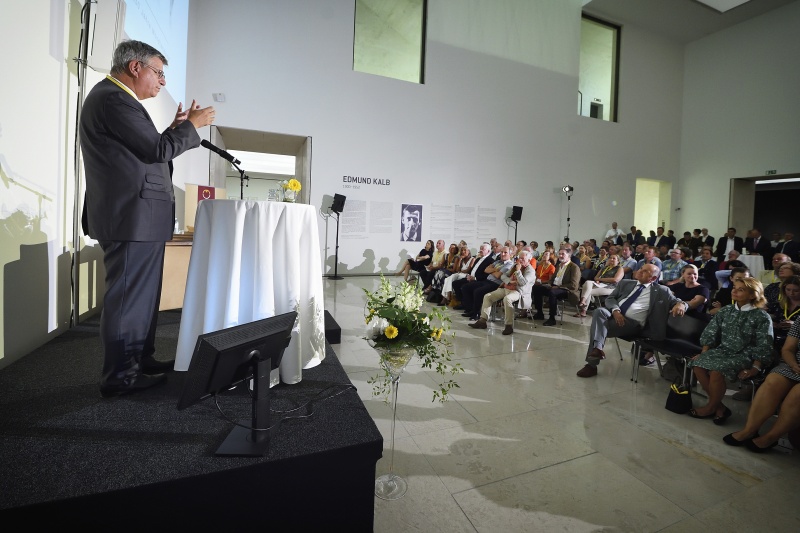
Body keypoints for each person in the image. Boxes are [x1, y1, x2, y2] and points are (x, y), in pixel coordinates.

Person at [80, 40, 216, 397]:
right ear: (135, 67)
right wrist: (192, 127)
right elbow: (157, 150)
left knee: (141, 299)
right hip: (130, 217)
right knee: (129, 300)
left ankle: (139, 360)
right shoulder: (113, 99)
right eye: (158, 72)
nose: (163, 81)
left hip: (137, 217)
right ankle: (120, 377)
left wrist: (175, 129)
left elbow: (148, 151)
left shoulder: (117, 100)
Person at [686, 278, 773, 424]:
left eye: (741, 289)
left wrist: (756, 367)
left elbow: (764, 343)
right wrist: (704, 352)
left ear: (753, 295)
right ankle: (719, 407)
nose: (735, 291)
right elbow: (711, 332)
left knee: (716, 371)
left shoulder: (761, 316)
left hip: (745, 355)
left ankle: (710, 407)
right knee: (697, 365)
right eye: (734, 288)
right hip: (723, 350)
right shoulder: (726, 310)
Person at [576, 264, 687, 377]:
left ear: (653, 278)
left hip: (632, 324)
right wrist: (616, 311)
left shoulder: (661, 290)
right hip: (614, 315)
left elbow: (677, 301)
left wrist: (681, 304)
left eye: (645, 271)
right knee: (599, 311)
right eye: (641, 268)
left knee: (598, 328)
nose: (640, 271)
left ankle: (592, 364)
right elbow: (611, 298)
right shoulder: (626, 283)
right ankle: (597, 349)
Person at [724, 320, 800, 452]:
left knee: (797, 394)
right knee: (772, 381)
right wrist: (793, 365)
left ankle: (770, 438)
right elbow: (788, 349)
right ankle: (749, 431)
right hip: (794, 365)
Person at [469, 250, 536, 335]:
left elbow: (522, 283)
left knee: (507, 299)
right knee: (488, 296)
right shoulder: (515, 266)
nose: (520, 260)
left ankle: (508, 326)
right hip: (507, 288)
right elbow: (503, 276)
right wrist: (509, 281)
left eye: (523, 258)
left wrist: (518, 271)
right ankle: (482, 321)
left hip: (519, 292)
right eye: (519, 258)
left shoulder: (530, 271)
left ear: (529, 260)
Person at [531, 247, 581, 326]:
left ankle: (552, 318)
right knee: (536, 288)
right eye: (559, 254)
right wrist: (548, 284)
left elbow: (574, 285)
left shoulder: (574, 267)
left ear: (569, 256)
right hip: (554, 287)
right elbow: (552, 280)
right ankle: (539, 313)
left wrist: (558, 287)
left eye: (563, 254)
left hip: (567, 290)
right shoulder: (559, 266)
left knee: (552, 293)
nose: (560, 256)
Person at [575, 253, 623, 318]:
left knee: (588, 291)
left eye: (614, 258)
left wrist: (600, 279)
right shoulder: (605, 267)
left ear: (618, 261)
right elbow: (595, 278)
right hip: (600, 284)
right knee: (588, 282)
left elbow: (615, 280)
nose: (611, 259)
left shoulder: (619, 268)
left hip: (610, 287)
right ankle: (583, 302)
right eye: (610, 258)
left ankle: (583, 310)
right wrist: (598, 280)